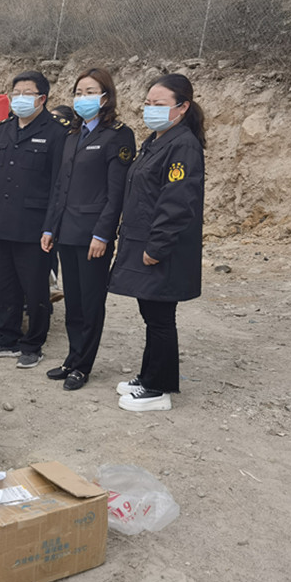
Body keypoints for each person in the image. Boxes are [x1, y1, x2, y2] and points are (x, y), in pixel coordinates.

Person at [109, 73, 206, 412]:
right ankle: (149, 376)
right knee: (151, 312)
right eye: (148, 103)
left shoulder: (183, 145)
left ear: (183, 107)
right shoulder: (156, 140)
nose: (151, 109)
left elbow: (177, 202)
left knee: (160, 316)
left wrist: (157, 246)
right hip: (143, 240)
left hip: (162, 247)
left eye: (160, 104)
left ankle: (158, 390)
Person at [41, 68, 136, 391]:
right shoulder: (72, 135)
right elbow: (60, 187)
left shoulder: (118, 136)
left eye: (90, 92)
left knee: (91, 302)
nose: (83, 98)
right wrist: (50, 227)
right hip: (67, 231)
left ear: (105, 97)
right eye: (78, 92)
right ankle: (72, 357)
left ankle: (83, 366)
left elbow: (116, 193)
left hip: (93, 234)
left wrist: (102, 234)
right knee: (74, 302)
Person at [0, 70, 69, 369]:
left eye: (28, 93)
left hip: (34, 225)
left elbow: (59, 185)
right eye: (16, 93)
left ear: (42, 98)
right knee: (5, 285)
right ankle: (7, 338)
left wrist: (51, 227)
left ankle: (33, 344)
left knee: (35, 288)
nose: (20, 98)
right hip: (3, 220)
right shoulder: (4, 128)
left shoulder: (56, 133)